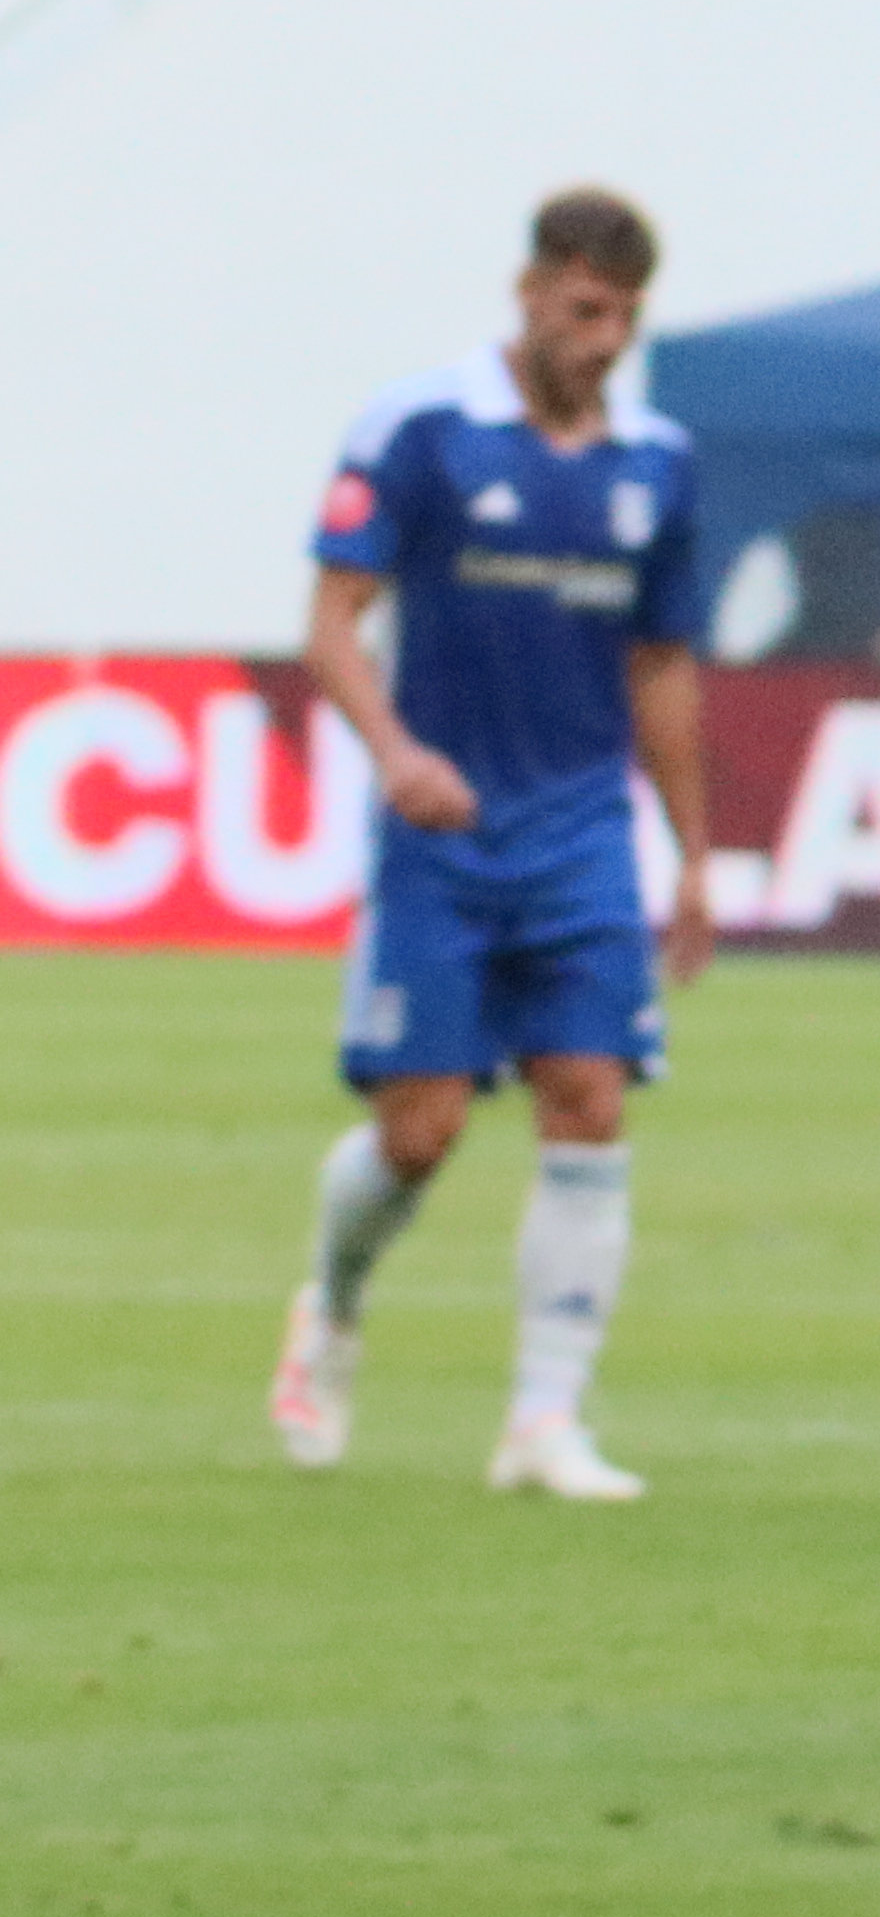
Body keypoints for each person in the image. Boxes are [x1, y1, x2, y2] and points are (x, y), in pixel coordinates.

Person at [268, 190, 712, 1504]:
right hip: (443, 836)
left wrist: (692, 854)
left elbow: (665, 665)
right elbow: (336, 619)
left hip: (580, 834)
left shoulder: (657, 462)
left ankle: (544, 1422)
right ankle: (332, 1310)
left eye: (627, 314)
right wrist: (397, 754)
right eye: (587, 308)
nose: (606, 336)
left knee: (590, 1099)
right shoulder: (422, 430)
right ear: (530, 291)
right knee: (422, 1133)